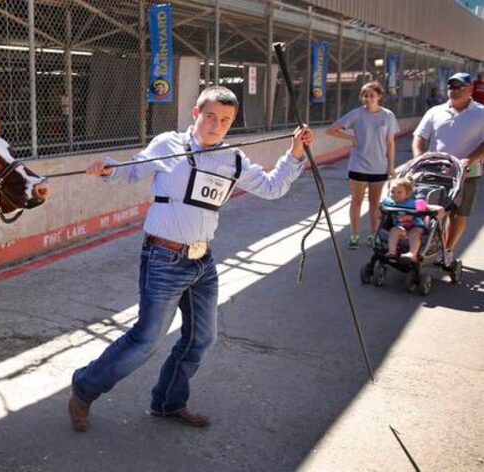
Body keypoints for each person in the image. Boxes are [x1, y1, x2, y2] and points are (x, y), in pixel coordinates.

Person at [67, 86, 314, 432]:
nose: (217, 125)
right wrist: (108, 168)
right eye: (211, 116)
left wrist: (295, 152)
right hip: (163, 258)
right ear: (195, 114)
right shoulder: (168, 145)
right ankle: (84, 389)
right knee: (146, 340)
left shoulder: (233, 158)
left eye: (225, 120)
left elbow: (272, 187)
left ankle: (168, 403)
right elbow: (133, 170)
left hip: (203, 261)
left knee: (201, 338)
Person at [412, 72, 484, 266]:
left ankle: (448, 249)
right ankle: (428, 245)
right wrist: (419, 157)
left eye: (459, 86)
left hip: (468, 173)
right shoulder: (435, 111)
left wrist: (469, 159)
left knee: (459, 213)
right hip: (436, 172)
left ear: (470, 88)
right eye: (451, 86)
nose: (454, 90)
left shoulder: (481, 112)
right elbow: (419, 136)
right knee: (431, 210)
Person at [326, 81, 399, 250]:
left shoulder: (388, 116)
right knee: (356, 201)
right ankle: (354, 235)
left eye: (372, 95)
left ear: (379, 96)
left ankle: (373, 235)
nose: (368, 98)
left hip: (379, 167)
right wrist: (350, 138)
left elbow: (390, 143)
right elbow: (331, 130)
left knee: (375, 203)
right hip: (358, 166)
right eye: (365, 95)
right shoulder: (356, 114)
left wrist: (391, 166)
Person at [381, 177, 426, 261]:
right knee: (394, 230)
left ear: (407, 194)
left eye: (399, 192)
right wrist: (379, 210)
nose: (395, 194)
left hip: (415, 225)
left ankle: (412, 253)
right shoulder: (389, 202)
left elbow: (424, 207)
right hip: (400, 227)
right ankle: (392, 251)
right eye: (392, 192)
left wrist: (422, 206)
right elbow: (381, 207)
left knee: (414, 233)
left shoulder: (412, 203)